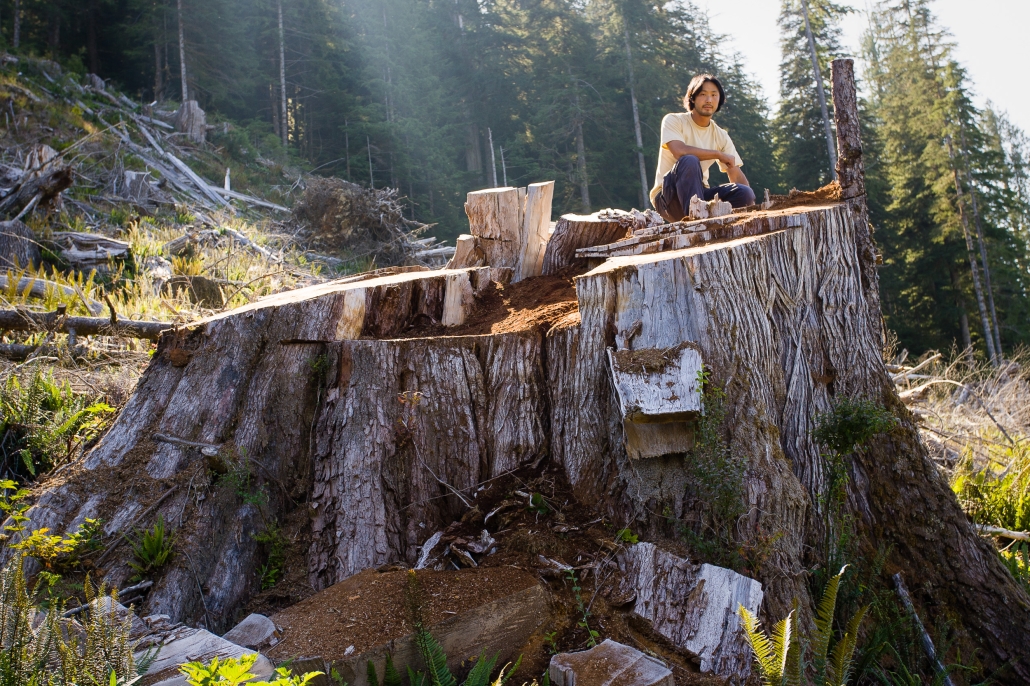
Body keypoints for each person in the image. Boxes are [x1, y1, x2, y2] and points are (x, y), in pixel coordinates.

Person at [650, 74, 756, 222]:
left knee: (744, 192)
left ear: (720, 99)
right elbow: (679, 151)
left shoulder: (721, 135)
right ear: (692, 98)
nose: (709, 100)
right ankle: (696, 222)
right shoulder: (674, 120)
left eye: (714, 95)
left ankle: (710, 222)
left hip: (700, 195)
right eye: (703, 94)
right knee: (689, 160)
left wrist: (749, 198)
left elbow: (735, 174)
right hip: (668, 198)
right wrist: (718, 154)